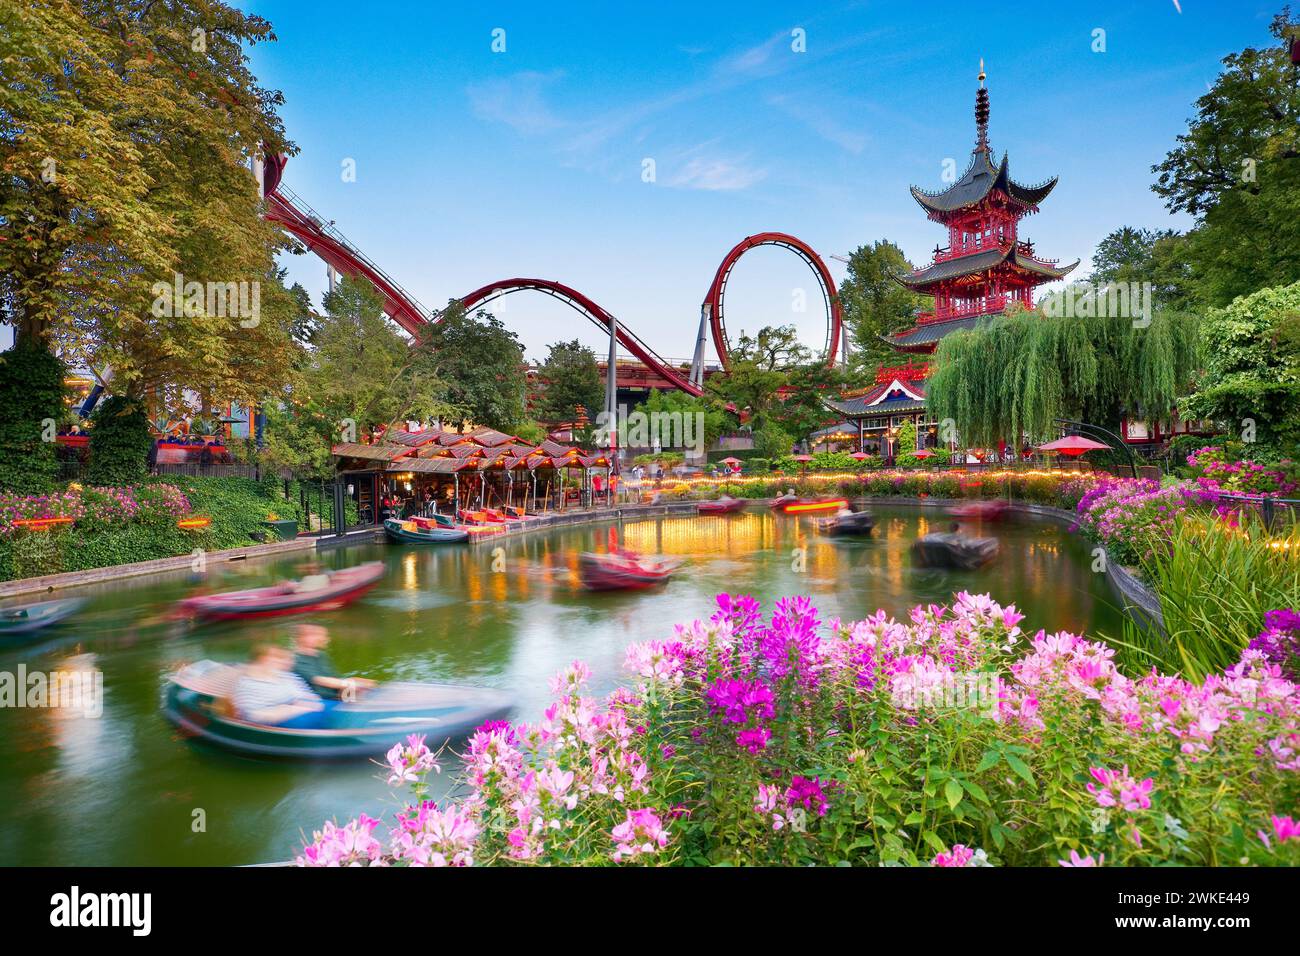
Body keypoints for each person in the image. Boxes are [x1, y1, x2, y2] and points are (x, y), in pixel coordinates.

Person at [232, 644, 333, 728]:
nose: (285, 662)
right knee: (319, 715)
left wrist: (307, 702)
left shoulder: (287, 676)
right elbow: (252, 715)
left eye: (284, 658)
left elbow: (307, 695)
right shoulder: (248, 683)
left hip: (306, 709)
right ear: (262, 659)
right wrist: (292, 709)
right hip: (279, 722)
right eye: (278, 658)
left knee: (336, 707)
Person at [291, 623, 375, 700]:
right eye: (319, 635)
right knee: (355, 686)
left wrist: (358, 683)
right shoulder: (295, 659)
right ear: (305, 637)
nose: (325, 638)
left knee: (367, 683)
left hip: (337, 693)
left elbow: (335, 678)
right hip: (321, 700)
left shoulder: (321, 655)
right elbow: (320, 680)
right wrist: (352, 685)